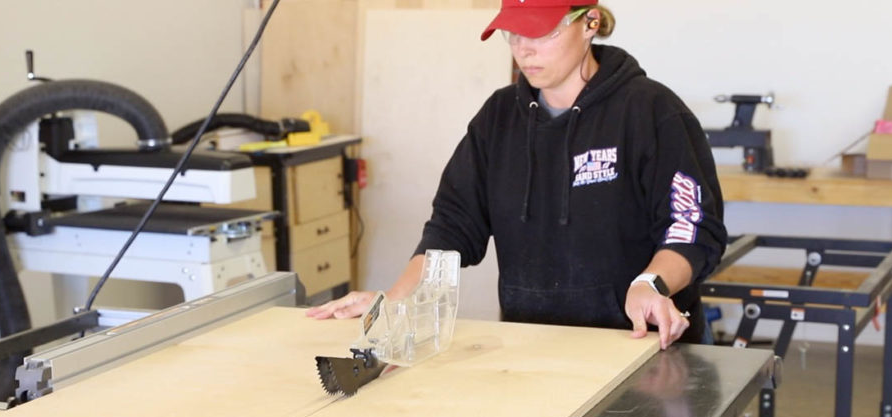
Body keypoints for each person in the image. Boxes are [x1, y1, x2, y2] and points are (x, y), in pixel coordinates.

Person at [308, 0, 726, 349]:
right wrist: (395, 300)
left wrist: (651, 284)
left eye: (541, 33)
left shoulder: (651, 111)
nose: (524, 50)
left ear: (590, 23)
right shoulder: (498, 119)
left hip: (641, 349)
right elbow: (452, 227)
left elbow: (690, 226)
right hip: (531, 347)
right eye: (514, 34)